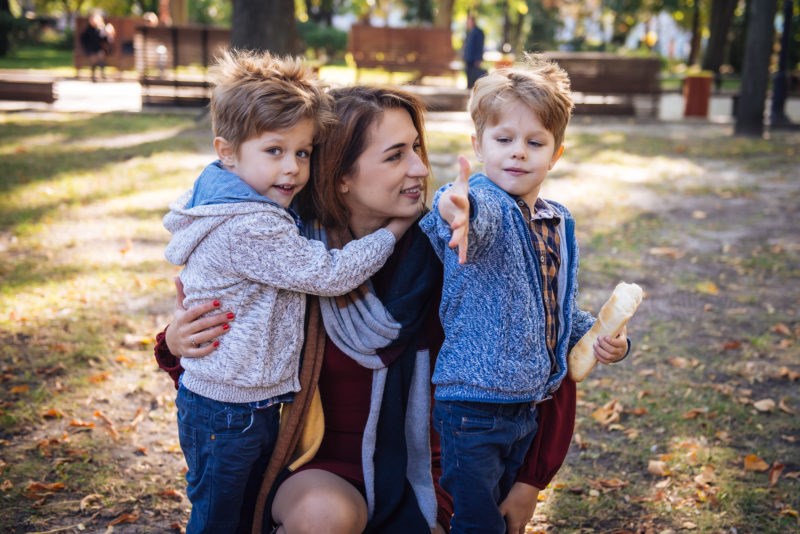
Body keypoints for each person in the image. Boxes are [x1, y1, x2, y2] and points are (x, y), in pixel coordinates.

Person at [155, 84, 627, 534]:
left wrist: (529, 481)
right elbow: (226, 370)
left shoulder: (455, 250)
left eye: (417, 148)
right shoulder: (291, 255)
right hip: (321, 465)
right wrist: (176, 344)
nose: (420, 168)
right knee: (321, 518)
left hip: (437, 467)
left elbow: (543, 351)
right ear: (341, 175)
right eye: (396, 155)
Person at [163, 51, 413, 534]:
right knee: (219, 521)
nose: (293, 168)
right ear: (227, 152)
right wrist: (393, 232)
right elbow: (330, 274)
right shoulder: (251, 226)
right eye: (275, 151)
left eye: (303, 153)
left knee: (241, 516)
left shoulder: (256, 209)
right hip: (231, 411)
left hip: (250, 405)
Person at [418, 54, 631, 533]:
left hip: (526, 407)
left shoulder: (555, 220)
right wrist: (457, 210)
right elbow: (467, 212)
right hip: (471, 407)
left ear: (556, 154)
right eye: (503, 139)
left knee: (500, 517)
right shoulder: (484, 203)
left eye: (535, 142)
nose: (518, 153)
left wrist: (604, 338)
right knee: (476, 522)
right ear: (478, 145)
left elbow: (554, 305)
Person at [80, 10, 115, 82]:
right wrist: (86, 47)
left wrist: (109, 36)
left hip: (98, 48)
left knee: (101, 56)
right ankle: (93, 76)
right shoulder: (88, 30)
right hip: (90, 49)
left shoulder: (99, 29)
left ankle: (102, 74)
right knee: (94, 59)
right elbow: (83, 39)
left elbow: (103, 39)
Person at [463, 13, 486, 89]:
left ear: (473, 22)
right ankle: (469, 87)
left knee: (474, 75)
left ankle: (473, 88)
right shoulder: (469, 32)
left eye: (469, 22)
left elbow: (479, 46)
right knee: (469, 74)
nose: (468, 24)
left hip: (474, 58)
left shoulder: (478, 32)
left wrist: (478, 58)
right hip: (468, 58)